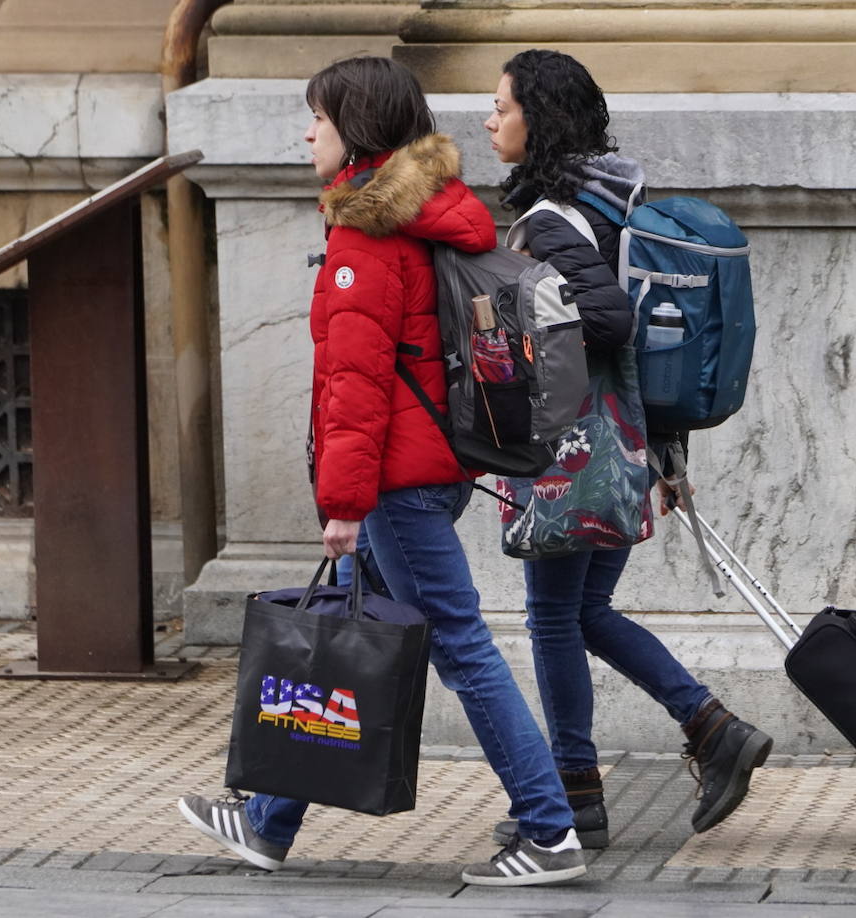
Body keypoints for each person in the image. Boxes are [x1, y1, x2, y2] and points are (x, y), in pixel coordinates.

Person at [177, 56, 587, 887]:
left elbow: (357, 388)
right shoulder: (422, 216)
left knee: (463, 649)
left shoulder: (367, 233)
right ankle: (265, 822)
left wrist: (343, 502)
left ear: (355, 128)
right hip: (426, 467)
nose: (307, 132)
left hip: (395, 481)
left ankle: (550, 831)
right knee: (339, 625)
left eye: (318, 119)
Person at [483, 49, 773, 848]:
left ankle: (578, 794)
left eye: (501, 107)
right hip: (630, 439)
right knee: (586, 610)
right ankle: (710, 728)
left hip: (573, 446)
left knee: (554, 618)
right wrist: (667, 455)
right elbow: (650, 342)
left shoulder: (549, 217)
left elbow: (612, 323)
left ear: (536, 119)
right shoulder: (614, 201)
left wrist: (521, 323)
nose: (489, 120)